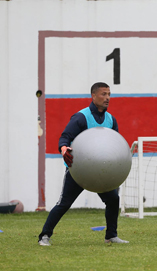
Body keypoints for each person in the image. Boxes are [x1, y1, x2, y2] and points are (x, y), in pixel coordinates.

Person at [38, 82, 129, 246]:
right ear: (93, 96)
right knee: (64, 204)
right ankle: (44, 236)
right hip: (78, 171)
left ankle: (111, 236)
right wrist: (64, 148)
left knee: (113, 199)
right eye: (103, 94)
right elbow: (64, 137)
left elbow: (115, 144)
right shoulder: (81, 117)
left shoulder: (111, 120)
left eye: (109, 94)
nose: (107, 98)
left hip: (101, 172)